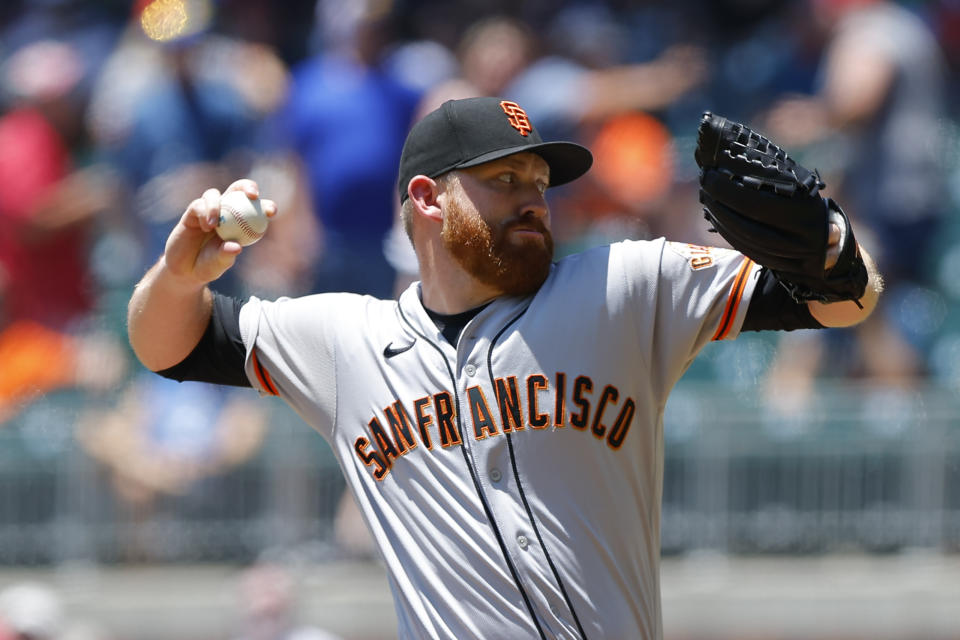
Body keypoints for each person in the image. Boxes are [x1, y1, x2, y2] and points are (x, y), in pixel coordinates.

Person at [127, 97, 881, 639]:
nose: (534, 200)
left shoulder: (623, 286)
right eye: (505, 180)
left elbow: (843, 301)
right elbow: (168, 345)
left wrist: (832, 247)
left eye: (538, 182)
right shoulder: (344, 342)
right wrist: (178, 275)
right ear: (427, 197)